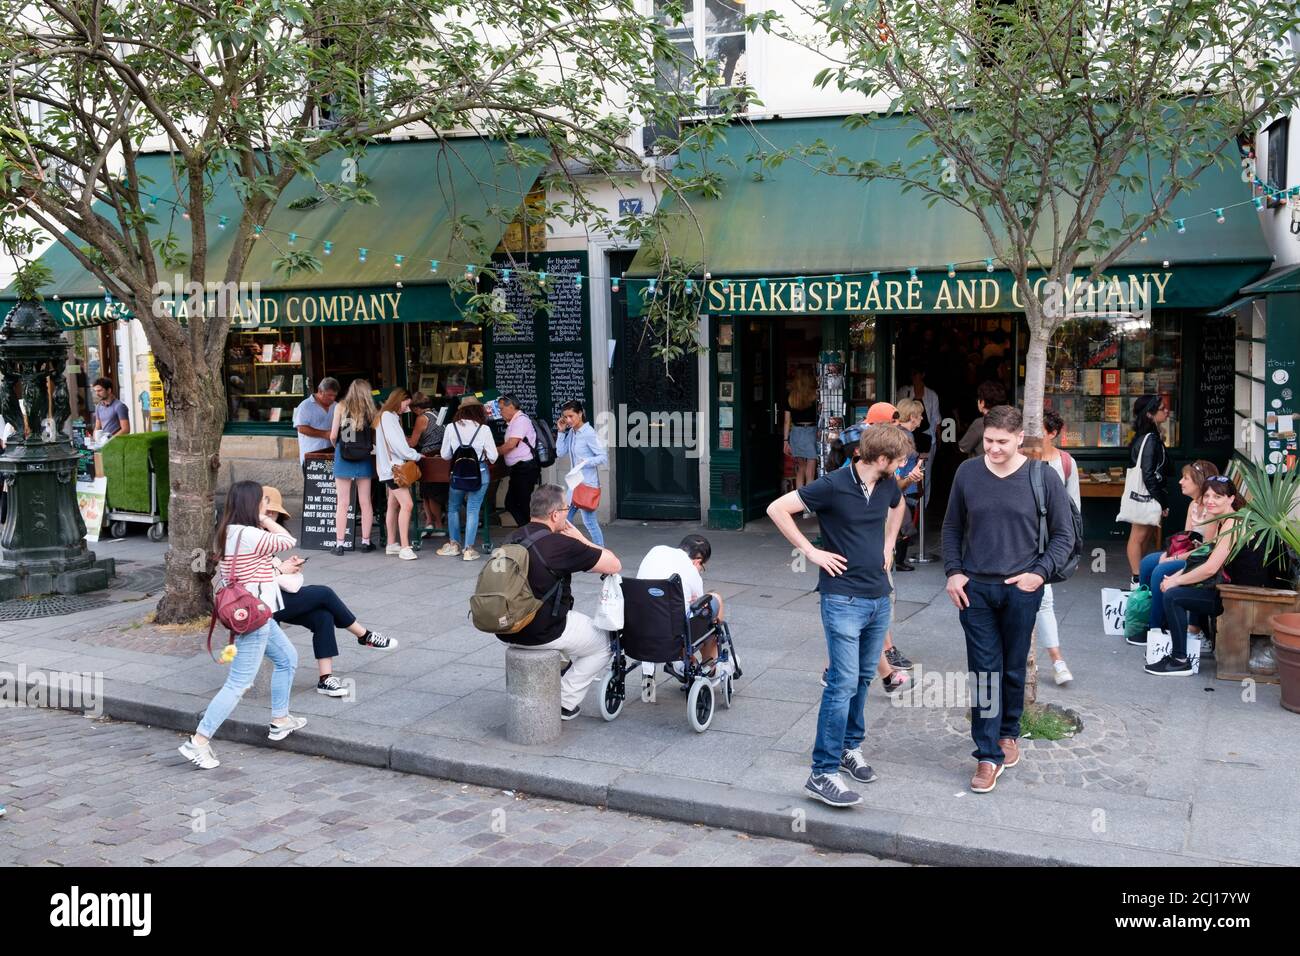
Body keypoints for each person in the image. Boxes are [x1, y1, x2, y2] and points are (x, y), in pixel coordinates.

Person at [768, 425, 912, 809]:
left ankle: (850, 748)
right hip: (842, 599)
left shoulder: (886, 485)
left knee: (864, 678)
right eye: (898, 461)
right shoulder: (832, 485)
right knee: (842, 683)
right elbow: (777, 509)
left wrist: (888, 543)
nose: (902, 467)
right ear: (881, 460)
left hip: (877, 596)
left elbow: (899, 507)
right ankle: (822, 771)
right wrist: (811, 552)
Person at [942, 405, 1074, 794]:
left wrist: (1039, 574)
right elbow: (951, 526)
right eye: (988, 441)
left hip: (1022, 589)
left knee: (1013, 667)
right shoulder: (968, 473)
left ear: (1020, 438)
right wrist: (953, 572)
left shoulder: (1042, 476)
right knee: (984, 669)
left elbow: (1065, 536)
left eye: (1002, 442)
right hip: (975, 588)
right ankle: (987, 755)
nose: (994, 449)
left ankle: (1008, 731)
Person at [178, 481, 306, 770]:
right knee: (239, 683)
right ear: (252, 504)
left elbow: (251, 569)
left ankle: (280, 719)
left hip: (255, 611)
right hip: (254, 616)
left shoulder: (229, 533)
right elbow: (287, 541)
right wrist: (263, 519)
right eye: (262, 501)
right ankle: (198, 741)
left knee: (287, 658)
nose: (266, 506)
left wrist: (278, 568)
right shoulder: (249, 532)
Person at [498, 484, 622, 721]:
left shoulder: (512, 537)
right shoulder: (561, 544)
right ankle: (565, 701)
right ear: (555, 514)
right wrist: (579, 537)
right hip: (543, 631)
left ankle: (557, 676)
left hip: (507, 627)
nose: (568, 513)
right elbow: (613, 564)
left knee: (573, 628)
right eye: (566, 508)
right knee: (606, 643)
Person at [260, 486, 398, 696]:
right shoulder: (248, 535)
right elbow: (246, 576)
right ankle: (364, 635)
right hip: (259, 604)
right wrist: (280, 568)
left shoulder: (264, 534)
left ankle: (325, 679)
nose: (269, 515)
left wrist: (285, 566)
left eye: (273, 512)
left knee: (323, 616)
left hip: (275, 597)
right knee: (324, 593)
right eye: (265, 510)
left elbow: (271, 566)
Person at [1151, 474, 1292, 676]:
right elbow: (1204, 556)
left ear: (1231, 499)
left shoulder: (1234, 523)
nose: (1210, 501)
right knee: (1176, 590)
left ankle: (1179, 660)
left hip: (1242, 597)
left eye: (1217, 497)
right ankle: (1185, 649)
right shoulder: (1229, 519)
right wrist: (1176, 577)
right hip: (1232, 589)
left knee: (1173, 596)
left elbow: (1210, 568)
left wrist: (1176, 581)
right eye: (1207, 495)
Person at [1133, 460, 1221, 647]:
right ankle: (1155, 618)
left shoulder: (1212, 510)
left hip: (1201, 560)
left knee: (1159, 571)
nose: (1180, 481)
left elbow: (1205, 549)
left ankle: (1155, 628)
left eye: (1186, 478)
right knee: (1148, 563)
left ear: (1198, 482)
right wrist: (1170, 553)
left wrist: (1171, 558)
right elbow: (1186, 539)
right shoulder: (1192, 506)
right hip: (1189, 554)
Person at [635, 535, 728, 691]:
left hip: (640, 626)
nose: (700, 571)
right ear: (698, 561)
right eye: (702, 567)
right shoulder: (690, 569)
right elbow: (700, 604)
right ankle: (709, 665)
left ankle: (686, 662)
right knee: (714, 601)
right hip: (673, 634)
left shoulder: (656, 550)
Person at [1034, 410, 1080, 686]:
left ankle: (1056, 660)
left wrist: (1069, 544)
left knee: (1044, 600)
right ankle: (1055, 661)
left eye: (1039, 430)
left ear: (1052, 433)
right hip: (1022, 540)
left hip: (1048, 542)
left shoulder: (1065, 463)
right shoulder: (1021, 458)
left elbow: (1073, 507)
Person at [438, 396, 499, 560]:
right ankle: (469, 549)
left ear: (461, 410)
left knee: (453, 508)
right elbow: (493, 456)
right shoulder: (484, 429)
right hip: (479, 473)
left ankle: (454, 544)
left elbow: (445, 455)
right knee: (473, 510)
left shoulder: (451, 428)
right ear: (479, 410)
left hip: (457, 474)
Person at [1123, 394, 1170, 586]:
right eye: (1162, 409)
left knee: (1144, 537)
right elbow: (1148, 474)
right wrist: (1162, 502)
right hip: (1148, 495)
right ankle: (1136, 579)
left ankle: (1139, 576)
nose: (1167, 411)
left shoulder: (1148, 436)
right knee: (1138, 536)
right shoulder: (1149, 439)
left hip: (1149, 494)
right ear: (1150, 414)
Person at [328, 379, 377, 555]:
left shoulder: (340, 407)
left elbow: (333, 435)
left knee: (342, 503)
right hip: (363, 456)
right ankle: (365, 542)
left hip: (344, 455)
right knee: (365, 502)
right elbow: (374, 436)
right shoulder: (371, 409)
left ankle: (339, 544)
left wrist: (339, 448)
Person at [373, 387, 422, 560]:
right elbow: (399, 447)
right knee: (407, 505)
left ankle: (392, 544)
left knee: (393, 505)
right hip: (395, 470)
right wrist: (415, 455)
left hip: (388, 469)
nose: (407, 409)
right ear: (398, 400)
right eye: (406, 405)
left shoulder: (384, 416)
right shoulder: (389, 418)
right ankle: (405, 547)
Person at [556, 399, 608, 546]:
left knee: (589, 522)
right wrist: (561, 432)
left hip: (586, 483)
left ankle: (601, 552)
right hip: (574, 483)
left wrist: (585, 461)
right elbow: (560, 452)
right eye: (565, 417)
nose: (568, 420)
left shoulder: (589, 433)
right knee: (565, 518)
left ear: (580, 413)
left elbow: (603, 457)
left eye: (571, 416)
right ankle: (567, 550)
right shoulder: (572, 432)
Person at [896, 365, 940, 506]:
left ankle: (923, 506)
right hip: (910, 438)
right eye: (912, 374)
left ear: (923, 375)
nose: (913, 377)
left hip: (927, 438)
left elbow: (936, 419)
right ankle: (915, 507)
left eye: (916, 373)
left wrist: (938, 439)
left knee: (925, 475)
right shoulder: (904, 391)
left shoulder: (932, 395)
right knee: (914, 471)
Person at [497, 393, 541, 528]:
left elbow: (511, 444)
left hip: (525, 468)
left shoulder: (521, 420)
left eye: (501, 409)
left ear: (511, 406)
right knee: (516, 503)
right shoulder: (515, 421)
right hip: (520, 468)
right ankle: (529, 531)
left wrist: (493, 452)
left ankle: (530, 532)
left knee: (517, 503)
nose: (500, 412)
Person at [407, 392, 446, 538]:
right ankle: (430, 523)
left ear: (416, 408)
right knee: (431, 494)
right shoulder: (437, 414)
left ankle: (438, 526)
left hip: (428, 459)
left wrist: (401, 439)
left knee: (429, 494)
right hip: (440, 457)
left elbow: (413, 443)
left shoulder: (421, 418)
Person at [783, 367, 820, 494]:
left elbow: (787, 421)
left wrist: (785, 440)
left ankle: (799, 503)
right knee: (811, 471)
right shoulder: (815, 395)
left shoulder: (791, 396)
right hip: (811, 431)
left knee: (800, 469)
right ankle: (808, 508)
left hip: (796, 432)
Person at [293, 377, 339, 463]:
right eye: (329, 395)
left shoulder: (336, 406)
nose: (332, 398)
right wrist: (325, 434)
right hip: (311, 455)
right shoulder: (305, 406)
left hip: (331, 454)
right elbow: (301, 428)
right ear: (320, 391)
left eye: (335, 395)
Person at [957, 381, 1007, 460]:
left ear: (982, 403)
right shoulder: (1010, 421)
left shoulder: (980, 423)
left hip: (981, 469)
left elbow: (963, 448)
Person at [91, 378, 130, 442]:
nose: (97, 394)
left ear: (109, 390)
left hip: (117, 443)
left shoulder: (119, 406)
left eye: (99, 390)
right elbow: (97, 427)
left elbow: (126, 429)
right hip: (104, 443)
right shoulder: (98, 406)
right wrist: (95, 439)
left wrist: (109, 440)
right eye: (95, 391)